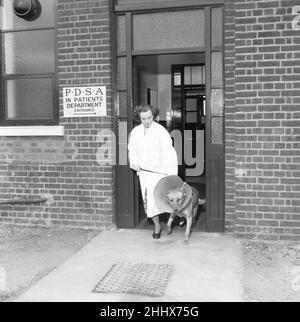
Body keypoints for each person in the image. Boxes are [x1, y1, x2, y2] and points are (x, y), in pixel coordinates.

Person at [128, 104, 178, 239]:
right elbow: (132, 150)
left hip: (160, 173)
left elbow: (169, 153)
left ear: (154, 116)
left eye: (149, 118)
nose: (146, 121)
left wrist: (171, 173)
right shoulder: (136, 132)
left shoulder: (161, 131)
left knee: (164, 200)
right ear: (139, 118)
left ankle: (172, 221)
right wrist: (134, 163)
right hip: (145, 173)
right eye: (143, 119)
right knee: (149, 201)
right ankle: (157, 225)